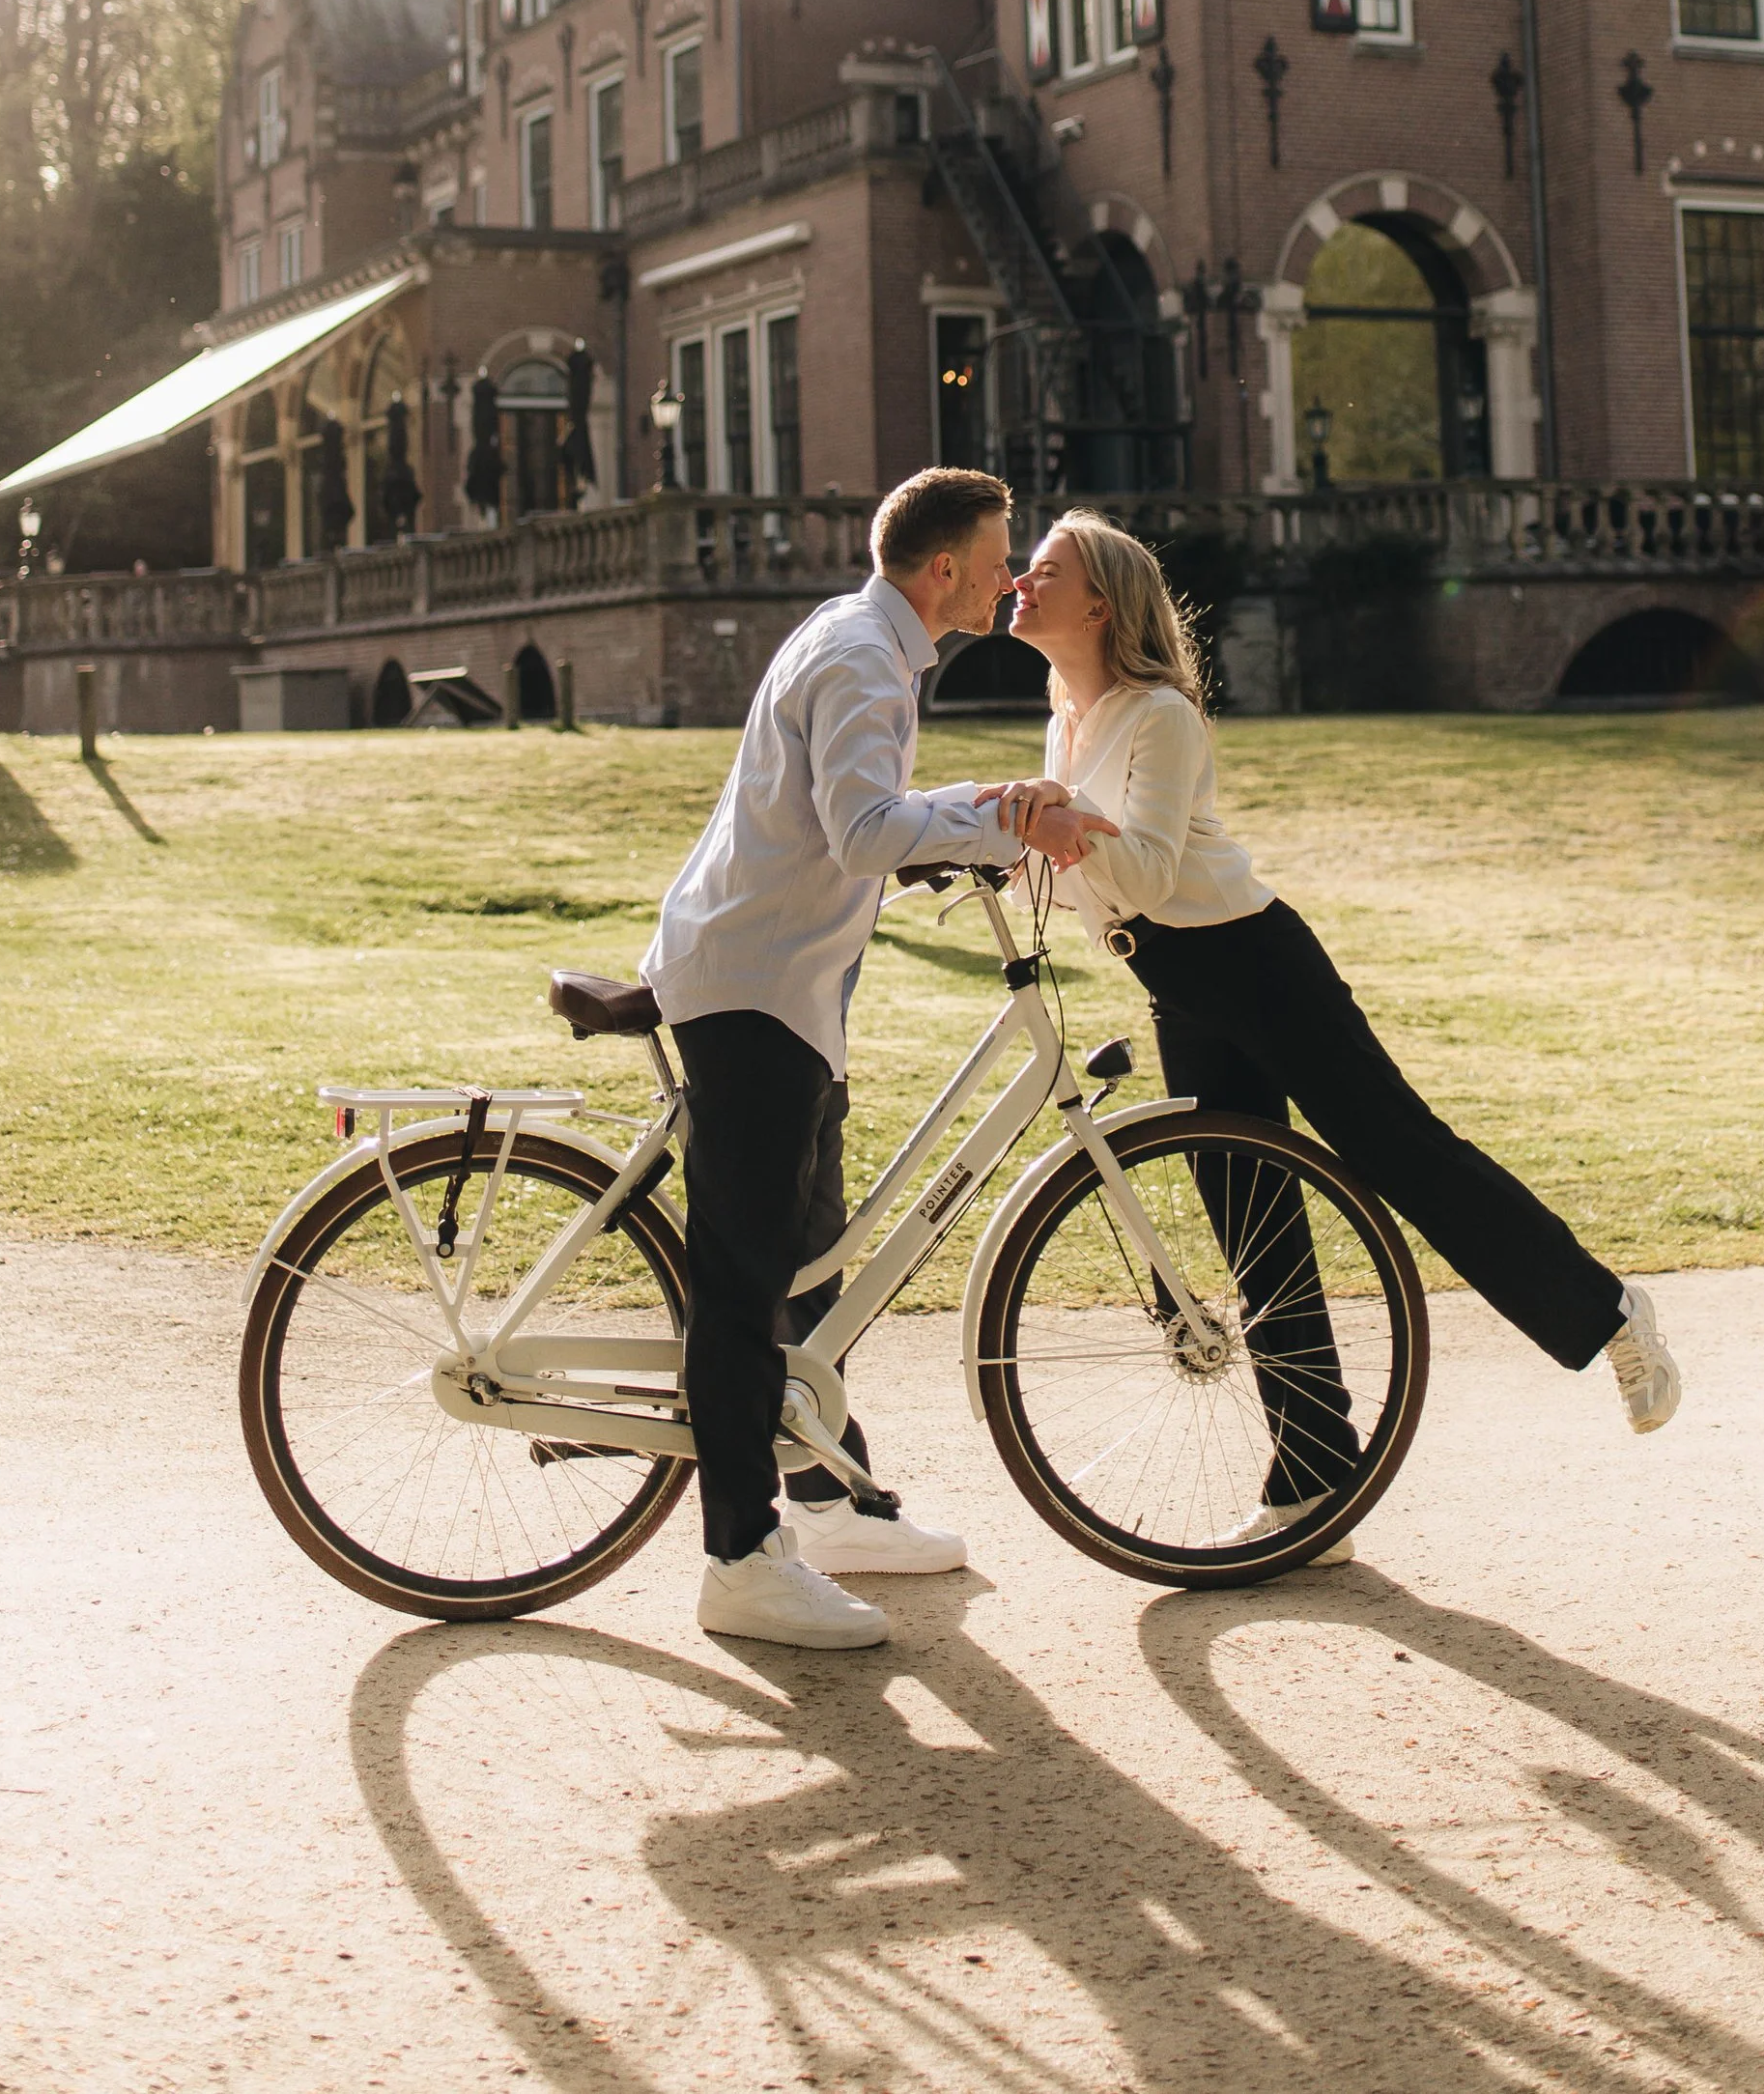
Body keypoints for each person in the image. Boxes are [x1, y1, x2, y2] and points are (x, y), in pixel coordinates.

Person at [1000, 511, 1680, 1556]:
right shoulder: (1066, 720)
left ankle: (1607, 1312)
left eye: (1045, 571)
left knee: (1400, 1153)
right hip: (1176, 978)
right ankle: (1315, 1470)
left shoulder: (1161, 715)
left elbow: (1135, 867)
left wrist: (1057, 826)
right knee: (1253, 1220)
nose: (1020, 580)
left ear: (1099, 603)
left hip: (1258, 965)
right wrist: (1031, 844)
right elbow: (1101, 877)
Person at [641, 467, 1113, 1650]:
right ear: (943, 567)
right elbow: (862, 831)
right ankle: (740, 1561)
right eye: (1000, 555)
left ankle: (824, 1499)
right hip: (752, 987)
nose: (1010, 577)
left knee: (809, 1255)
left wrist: (986, 803)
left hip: (782, 983)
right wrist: (1005, 821)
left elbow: (861, 809)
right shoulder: (861, 655)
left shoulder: (864, 639)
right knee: (747, 1280)